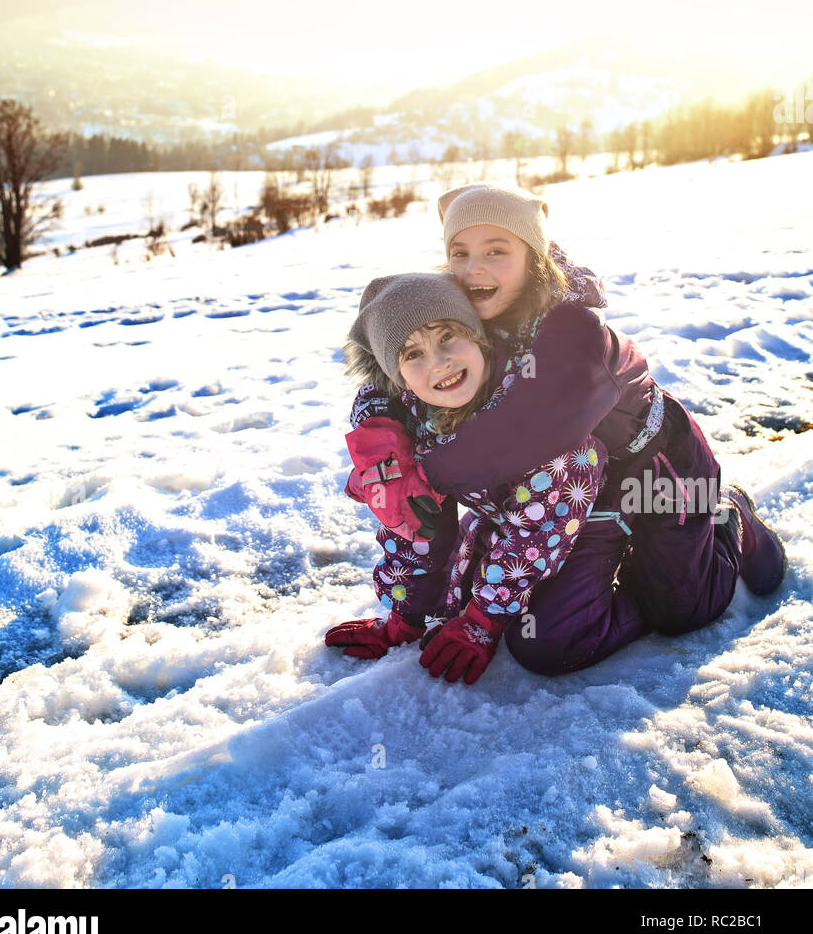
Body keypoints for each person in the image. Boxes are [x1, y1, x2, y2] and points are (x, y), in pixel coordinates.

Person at [339, 184, 788, 678]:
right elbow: (414, 514)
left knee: (686, 607)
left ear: (534, 255)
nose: (475, 267)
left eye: (497, 250)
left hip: (655, 469)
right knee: (524, 620)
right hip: (574, 497)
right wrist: (405, 616)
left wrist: (483, 616)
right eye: (460, 253)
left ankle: (729, 520)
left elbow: (526, 433)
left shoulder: (568, 332)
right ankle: (607, 573)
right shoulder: (471, 333)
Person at [325, 272, 608, 684]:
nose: (438, 362)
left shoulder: (534, 410)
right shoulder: (413, 422)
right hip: (518, 516)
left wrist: (484, 620)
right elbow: (415, 523)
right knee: (455, 600)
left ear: (479, 336)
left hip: (608, 515)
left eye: (447, 336)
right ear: (399, 376)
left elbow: (540, 528)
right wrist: (406, 617)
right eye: (411, 354)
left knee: (549, 642)